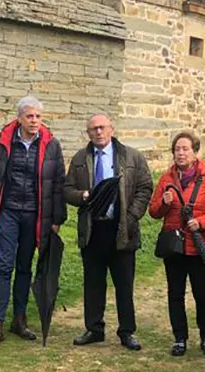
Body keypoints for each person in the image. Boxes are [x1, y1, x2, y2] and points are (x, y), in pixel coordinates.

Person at [0, 96, 66, 348]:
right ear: (19, 119)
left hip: (34, 215)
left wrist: (57, 219)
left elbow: (58, 183)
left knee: (25, 267)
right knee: (4, 267)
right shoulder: (1, 142)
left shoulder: (51, 145)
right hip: (7, 212)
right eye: (29, 116)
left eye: (38, 116)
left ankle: (19, 319)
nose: (34, 121)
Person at [64, 114, 154, 350]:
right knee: (93, 283)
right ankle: (94, 329)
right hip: (93, 229)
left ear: (112, 129)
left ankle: (127, 331)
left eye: (102, 127)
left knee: (124, 284)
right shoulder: (81, 158)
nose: (98, 132)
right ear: (88, 133)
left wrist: (132, 215)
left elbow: (145, 187)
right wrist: (81, 196)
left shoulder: (131, 156)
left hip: (122, 228)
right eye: (93, 129)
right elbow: (67, 189)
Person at [148, 131, 205, 356]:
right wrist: (164, 204)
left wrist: (201, 222)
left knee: (202, 293)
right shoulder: (166, 179)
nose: (180, 153)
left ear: (194, 152)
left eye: (185, 149)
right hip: (174, 246)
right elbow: (154, 212)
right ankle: (180, 338)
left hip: (197, 245)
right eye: (177, 149)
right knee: (175, 293)